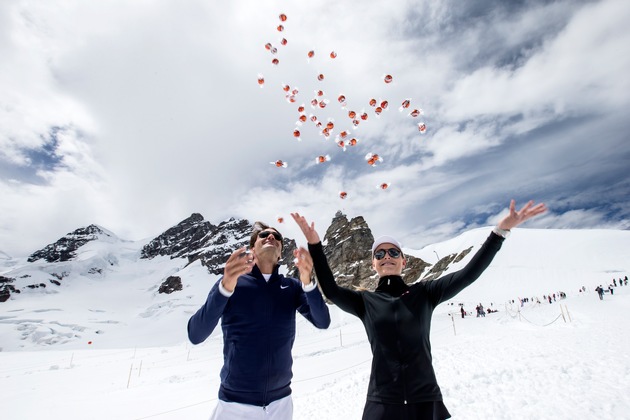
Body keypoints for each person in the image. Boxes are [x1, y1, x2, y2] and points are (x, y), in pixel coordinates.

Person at [292, 199, 546, 420]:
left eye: (393, 252)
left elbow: (469, 274)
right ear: (373, 264)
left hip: (424, 399)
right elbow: (332, 290)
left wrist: (499, 233)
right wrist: (315, 244)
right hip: (382, 401)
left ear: (403, 260)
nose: (386, 256)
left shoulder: (425, 293)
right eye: (379, 254)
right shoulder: (366, 302)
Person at [187, 221, 331, 420]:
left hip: (281, 403)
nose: (270, 237)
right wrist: (225, 287)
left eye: (276, 237)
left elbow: (322, 321)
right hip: (234, 405)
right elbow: (196, 334)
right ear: (252, 249)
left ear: (280, 253)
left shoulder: (292, 287)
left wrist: (307, 281)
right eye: (263, 235)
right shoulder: (232, 282)